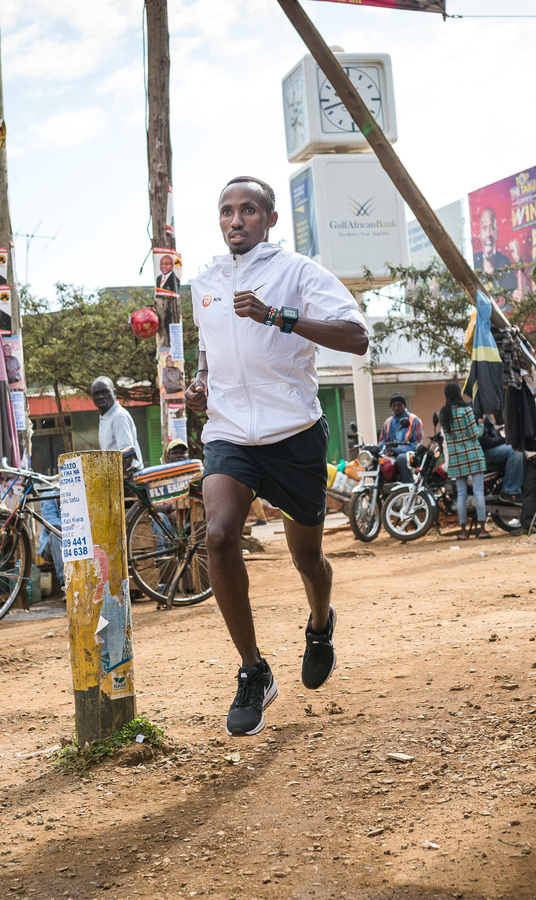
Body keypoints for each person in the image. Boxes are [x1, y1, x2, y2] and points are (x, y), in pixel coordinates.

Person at [183, 175, 368, 737]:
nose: (234, 221)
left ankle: (319, 624)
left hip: (294, 434)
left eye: (247, 210)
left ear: (269, 218)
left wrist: (277, 316)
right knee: (218, 535)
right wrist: (200, 384)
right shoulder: (206, 283)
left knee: (307, 560)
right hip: (230, 434)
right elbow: (213, 356)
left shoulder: (299, 273)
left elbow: (356, 337)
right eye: (225, 212)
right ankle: (254, 670)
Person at [439, 381, 490, 538]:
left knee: (461, 494)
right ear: (459, 393)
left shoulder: (444, 414)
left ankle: (462, 532)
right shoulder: (466, 410)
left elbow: (447, 437)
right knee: (478, 492)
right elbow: (474, 433)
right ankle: (481, 530)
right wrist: (481, 426)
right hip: (473, 454)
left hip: (456, 457)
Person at [91, 376, 143, 474]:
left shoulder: (118, 417)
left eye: (105, 392)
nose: (101, 397)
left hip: (129, 480)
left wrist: (118, 483)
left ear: (114, 393)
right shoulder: (106, 415)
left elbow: (127, 455)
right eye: (96, 394)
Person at [473, 207, 519, 297]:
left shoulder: (504, 263)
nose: (488, 234)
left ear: (497, 233)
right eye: (484, 228)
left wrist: (518, 261)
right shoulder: (474, 262)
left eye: (492, 228)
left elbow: (518, 298)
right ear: (480, 234)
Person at [377, 393, 423, 483]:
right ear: (391, 407)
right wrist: (386, 451)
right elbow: (382, 442)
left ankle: (408, 487)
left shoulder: (413, 420)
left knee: (401, 459)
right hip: (390, 454)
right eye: (394, 405)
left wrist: (397, 450)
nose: (396, 408)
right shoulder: (388, 422)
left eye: (399, 405)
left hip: (409, 454)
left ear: (404, 406)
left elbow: (417, 443)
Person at [479, 415, 524, 499]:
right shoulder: (477, 412)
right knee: (516, 451)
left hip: (488, 447)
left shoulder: (483, 410)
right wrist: (504, 438)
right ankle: (510, 491)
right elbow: (485, 441)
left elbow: (491, 432)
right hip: (482, 452)